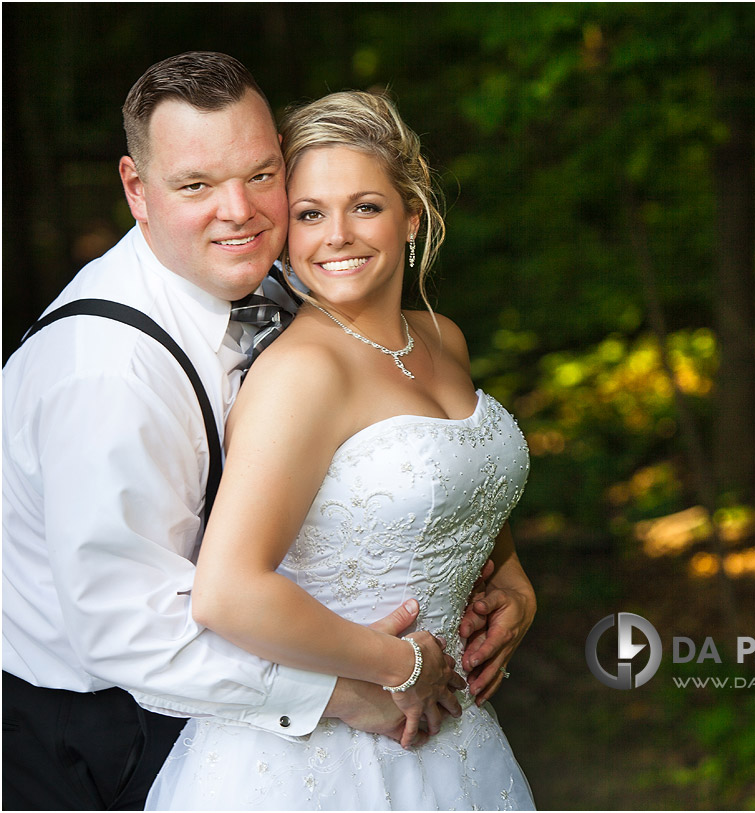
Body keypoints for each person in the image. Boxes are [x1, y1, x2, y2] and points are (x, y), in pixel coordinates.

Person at [2, 52, 534, 811]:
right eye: (196, 185)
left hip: (302, 691)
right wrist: (355, 688)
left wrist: (506, 578)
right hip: (90, 733)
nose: (240, 210)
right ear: (136, 190)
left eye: (260, 175)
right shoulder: (104, 374)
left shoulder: (291, 279)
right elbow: (133, 630)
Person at [143, 89, 535, 810]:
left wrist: (514, 583)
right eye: (310, 214)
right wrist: (399, 661)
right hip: (327, 758)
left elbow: (463, 497)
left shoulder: (443, 338)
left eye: (366, 206)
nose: (337, 236)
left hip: (461, 740)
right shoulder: (302, 372)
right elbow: (227, 591)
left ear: (411, 215)